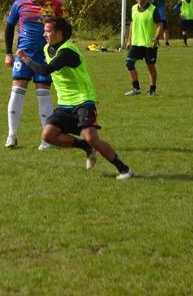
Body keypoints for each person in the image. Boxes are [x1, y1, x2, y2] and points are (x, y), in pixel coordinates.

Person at [16, 17, 134, 179]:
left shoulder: (67, 52)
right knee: (48, 136)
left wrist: (25, 59)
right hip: (64, 102)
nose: (44, 34)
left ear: (60, 33)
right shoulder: (48, 48)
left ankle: (125, 170)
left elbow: (45, 71)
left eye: (48, 31)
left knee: (92, 137)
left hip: (83, 99)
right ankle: (85, 147)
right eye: (45, 30)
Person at [4, 0, 66, 150]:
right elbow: (9, 28)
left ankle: (47, 139)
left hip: (45, 55)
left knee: (43, 95)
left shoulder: (56, 6)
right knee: (16, 91)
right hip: (22, 54)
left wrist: (59, 50)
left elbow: (66, 29)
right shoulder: (19, 4)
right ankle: (12, 135)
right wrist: (8, 53)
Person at [124, 0, 165, 96]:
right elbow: (132, 24)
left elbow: (160, 25)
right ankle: (136, 88)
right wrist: (129, 40)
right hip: (136, 43)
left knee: (150, 67)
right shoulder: (133, 8)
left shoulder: (153, 9)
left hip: (149, 43)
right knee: (129, 63)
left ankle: (152, 89)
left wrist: (156, 38)